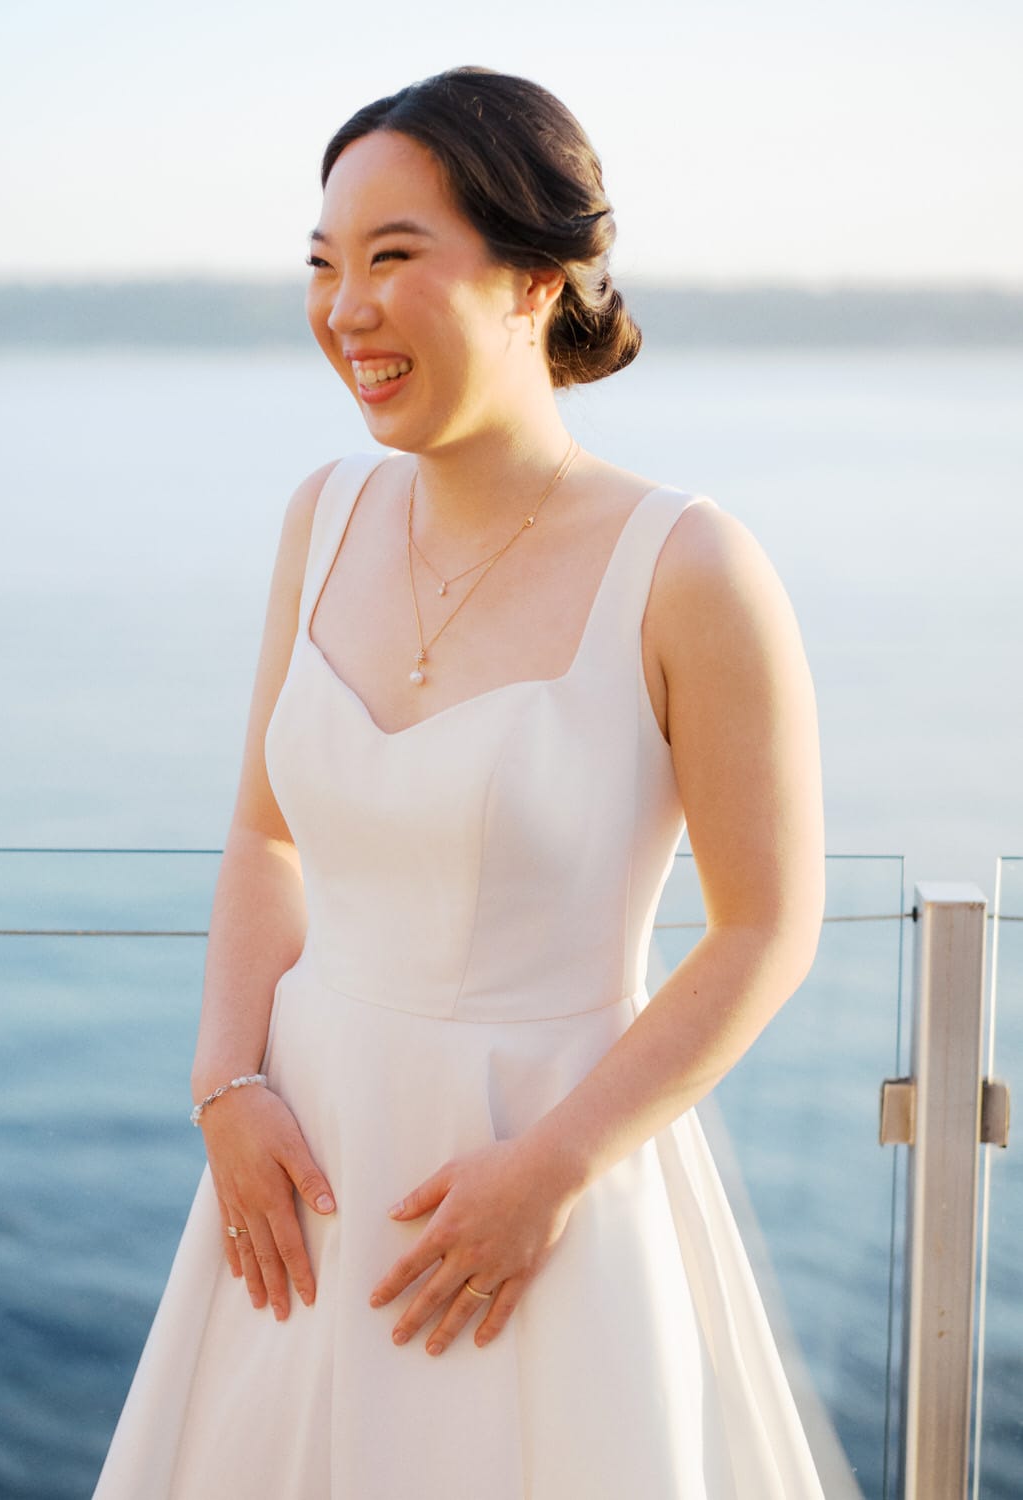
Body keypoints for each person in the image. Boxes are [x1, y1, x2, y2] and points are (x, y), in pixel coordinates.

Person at [93, 66, 827, 1500]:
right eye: (321, 266)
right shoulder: (323, 515)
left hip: (535, 1187)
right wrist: (225, 1084)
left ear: (533, 279)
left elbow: (764, 932)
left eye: (391, 260)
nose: (344, 311)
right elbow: (264, 833)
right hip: (296, 1178)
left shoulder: (688, 568)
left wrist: (549, 1171)